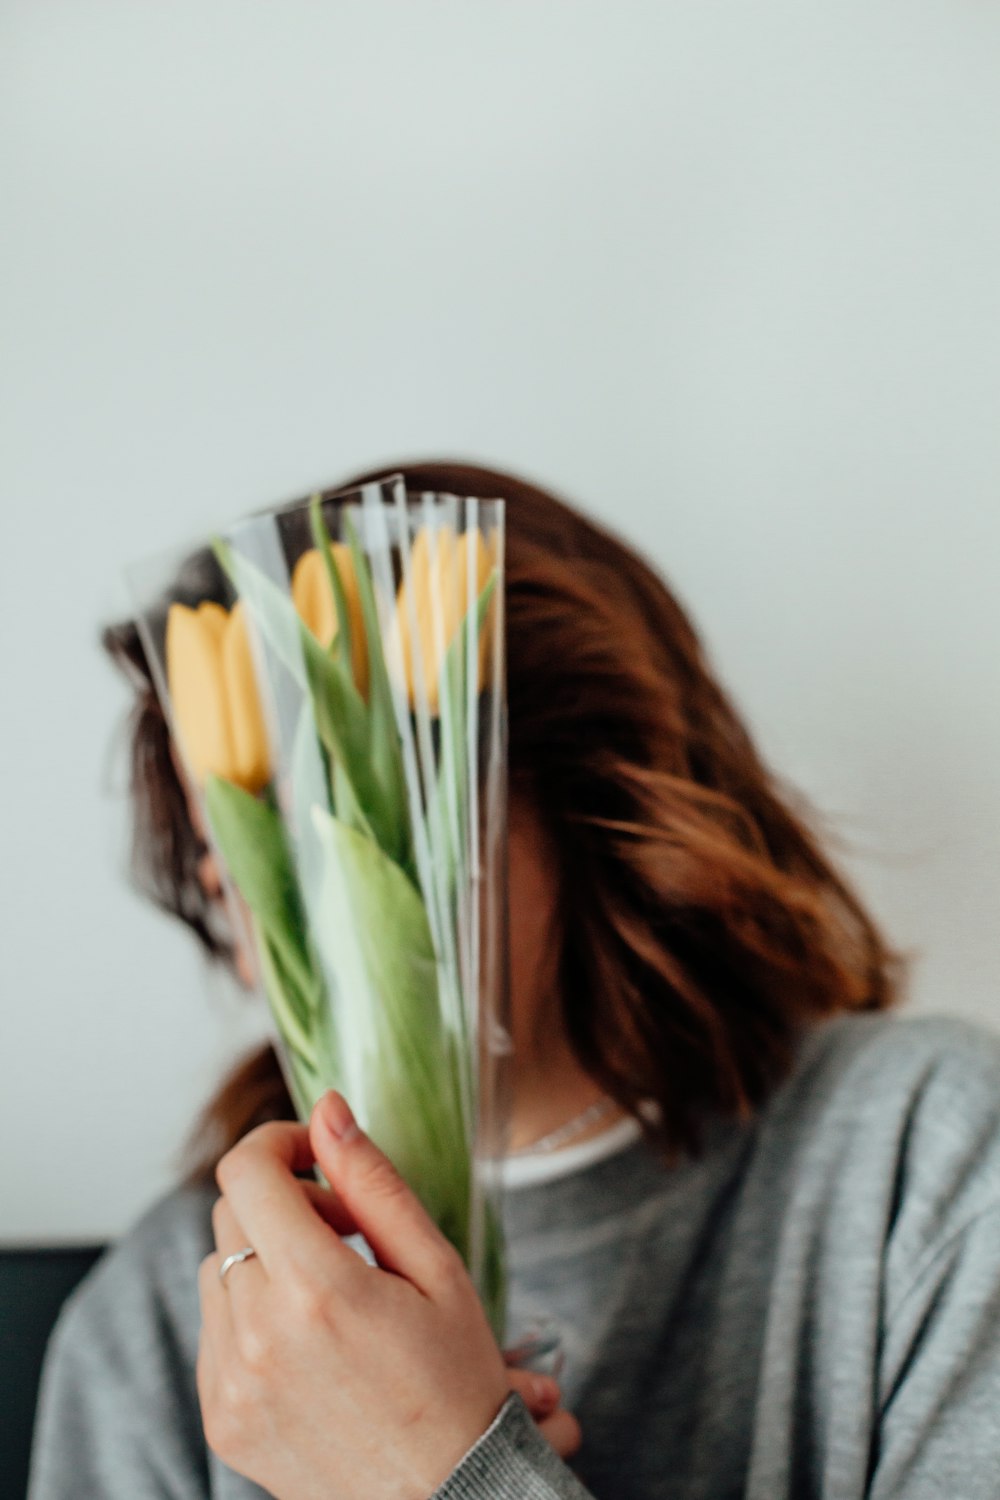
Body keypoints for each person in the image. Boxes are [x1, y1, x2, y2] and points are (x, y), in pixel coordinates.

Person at [29, 461, 1000, 1500]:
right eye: (235, 855)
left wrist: (434, 1466)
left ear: (591, 785)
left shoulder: (921, 1160)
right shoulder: (171, 1314)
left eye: (347, 804)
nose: (271, 898)